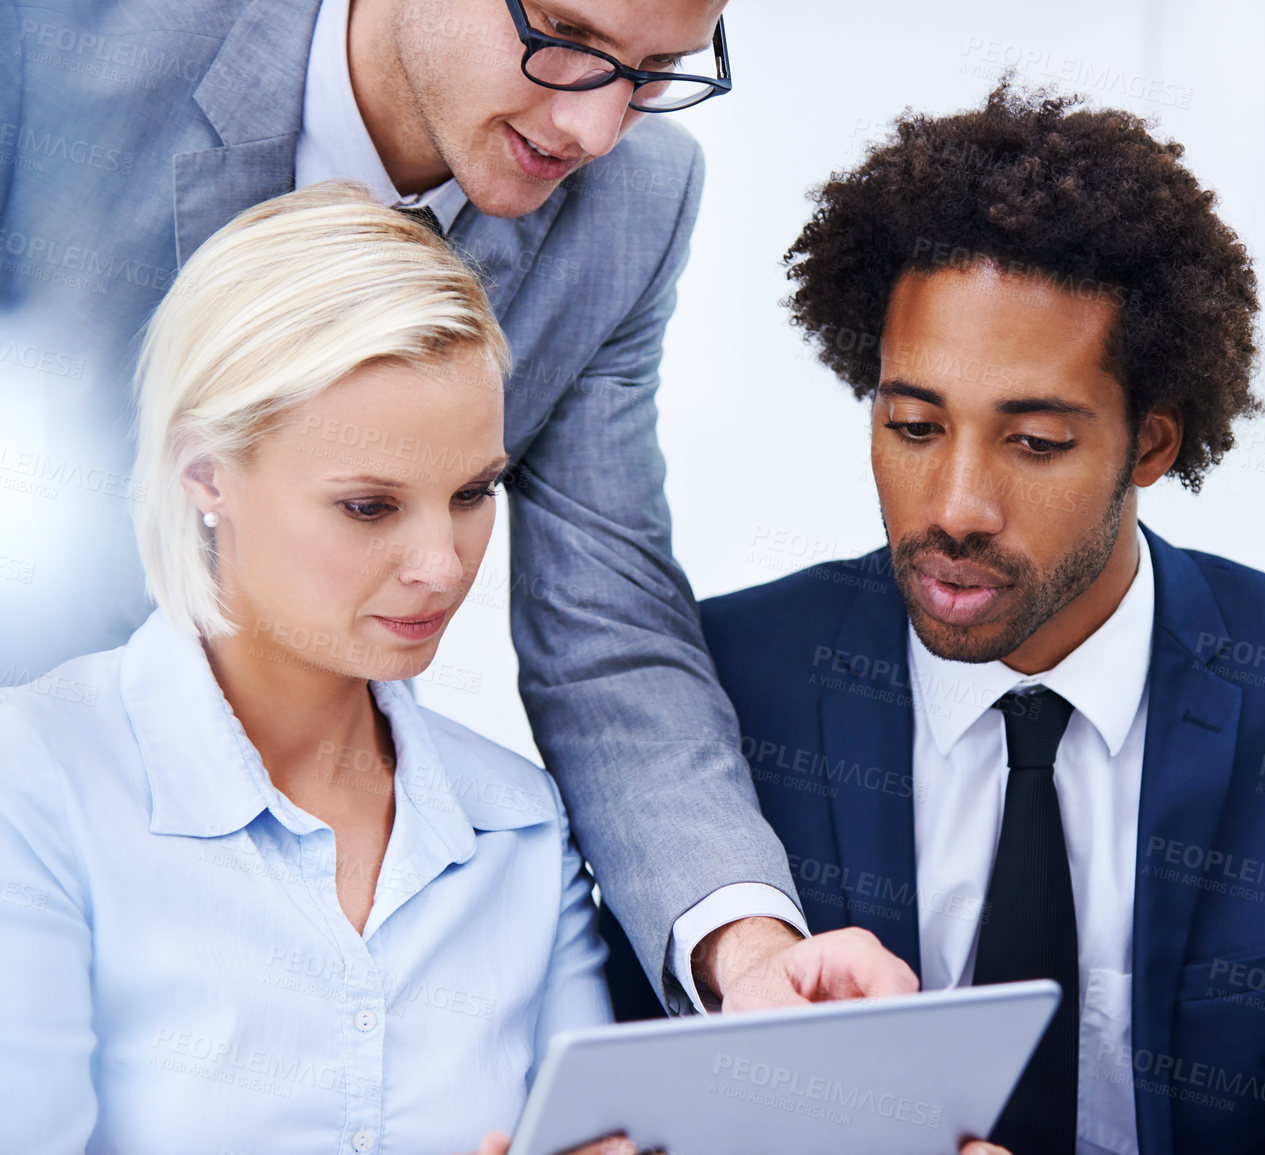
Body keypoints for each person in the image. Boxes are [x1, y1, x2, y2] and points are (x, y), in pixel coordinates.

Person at [0, 0, 906, 1016]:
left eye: (656, 70)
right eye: (567, 40)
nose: (595, 130)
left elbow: (605, 630)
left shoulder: (636, 197)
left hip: (328, 876)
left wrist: (743, 950)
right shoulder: (54, 46)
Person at [687, 85, 1265, 1153]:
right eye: (914, 425)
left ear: (1152, 446)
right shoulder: (734, 676)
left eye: (1034, 442)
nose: (954, 508)